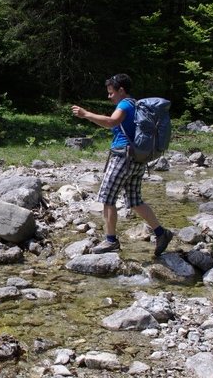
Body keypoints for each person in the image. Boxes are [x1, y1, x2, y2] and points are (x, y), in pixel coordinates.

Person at [71, 73, 174, 256]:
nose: (109, 96)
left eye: (111, 92)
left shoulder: (125, 104)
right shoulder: (136, 104)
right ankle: (161, 233)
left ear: (121, 90)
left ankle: (110, 241)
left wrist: (86, 114)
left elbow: (112, 122)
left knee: (107, 198)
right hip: (137, 158)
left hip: (123, 157)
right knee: (135, 200)